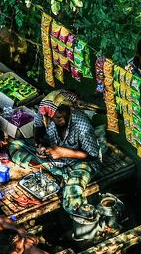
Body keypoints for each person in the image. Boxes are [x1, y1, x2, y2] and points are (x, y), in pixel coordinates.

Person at [8, 90, 101, 219]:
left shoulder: (82, 124)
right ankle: (54, 171)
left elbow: (93, 155)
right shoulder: (45, 112)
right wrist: (39, 145)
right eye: (56, 118)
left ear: (70, 111)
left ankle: (81, 216)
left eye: (62, 116)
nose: (59, 120)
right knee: (16, 145)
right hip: (55, 156)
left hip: (82, 162)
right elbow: (38, 128)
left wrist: (65, 152)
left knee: (74, 189)